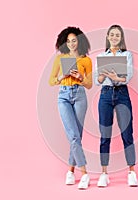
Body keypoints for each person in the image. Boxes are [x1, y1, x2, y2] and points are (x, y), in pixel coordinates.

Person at [49, 26, 92, 189]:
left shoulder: (85, 60)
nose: (71, 44)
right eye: (68, 41)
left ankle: (70, 171)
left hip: (80, 94)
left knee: (77, 137)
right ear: (63, 43)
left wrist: (80, 77)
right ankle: (85, 174)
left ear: (79, 41)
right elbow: (51, 81)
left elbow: (89, 85)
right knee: (73, 135)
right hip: (64, 96)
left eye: (74, 41)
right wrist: (62, 76)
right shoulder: (60, 58)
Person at [94, 24, 138, 187]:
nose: (114, 37)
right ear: (107, 37)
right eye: (111, 35)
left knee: (127, 133)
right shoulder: (100, 56)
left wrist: (115, 76)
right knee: (104, 135)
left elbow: (127, 77)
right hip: (105, 94)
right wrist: (103, 75)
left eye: (117, 35)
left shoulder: (127, 55)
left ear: (121, 39)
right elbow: (96, 81)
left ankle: (131, 171)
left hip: (122, 94)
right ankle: (104, 173)